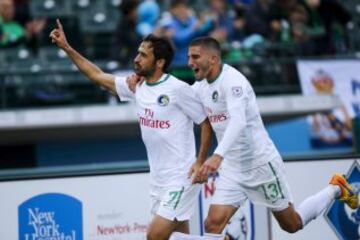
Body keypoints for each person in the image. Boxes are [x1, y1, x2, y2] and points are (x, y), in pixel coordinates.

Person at [169, 36, 359, 240]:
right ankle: (231, 234)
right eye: (189, 57)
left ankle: (336, 188)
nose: (189, 63)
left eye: (195, 57)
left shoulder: (234, 82)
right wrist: (144, 86)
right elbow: (172, 99)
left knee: (292, 224)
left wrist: (217, 156)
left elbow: (238, 122)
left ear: (213, 58)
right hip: (233, 168)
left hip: (261, 164)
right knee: (212, 224)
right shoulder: (200, 88)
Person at [49, 19, 212, 240]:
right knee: (177, 236)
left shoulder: (178, 89)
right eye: (138, 53)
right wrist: (67, 48)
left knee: (154, 236)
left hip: (181, 177)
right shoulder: (137, 86)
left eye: (143, 55)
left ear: (159, 62)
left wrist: (201, 161)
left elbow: (206, 122)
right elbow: (96, 76)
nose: (136, 59)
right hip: (158, 181)